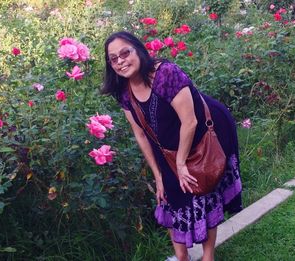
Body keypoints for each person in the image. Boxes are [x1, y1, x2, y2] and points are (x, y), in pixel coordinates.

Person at [101, 31, 242, 261]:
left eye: (125, 53)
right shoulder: (123, 91)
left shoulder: (165, 74)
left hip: (205, 133)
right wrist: (158, 175)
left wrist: (181, 163)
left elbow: (190, 121)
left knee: (203, 188)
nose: (120, 61)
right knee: (168, 195)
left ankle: (208, 257)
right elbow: (141, 135)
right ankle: (182, 257)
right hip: (165, 145)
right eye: (113, 59)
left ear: (138, 50)